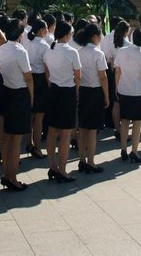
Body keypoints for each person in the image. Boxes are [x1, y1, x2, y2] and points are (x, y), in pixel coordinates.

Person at [0, 19, 33, 190]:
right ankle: (12, 177)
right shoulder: (20, 51)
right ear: (19, 34)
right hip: (19, 94)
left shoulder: (0, 49)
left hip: (5, 91)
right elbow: (28, 77)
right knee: (16, 140)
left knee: (7, 138)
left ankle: (6, 174)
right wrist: (31, 97)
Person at [43, 21, 81, 182]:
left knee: (52, 132)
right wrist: (77, 91)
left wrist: (51, 82)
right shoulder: (72, 52)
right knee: (65, 134)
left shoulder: (49, 50)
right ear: (66, 34)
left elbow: (46, 70)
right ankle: (63, 170)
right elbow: (78, 75)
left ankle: (52, 166)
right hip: (67, 91)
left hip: (54, 90)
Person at [114, 27, 141, 164]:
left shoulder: (121, 51)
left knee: (124, 121)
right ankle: (134, 151)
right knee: (136, 123)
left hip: (123, 89)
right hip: (138, 91)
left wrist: (116, 88)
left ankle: (123, 149)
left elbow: (117, 71)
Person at [76, 23, 109, 173]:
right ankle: (91, 162)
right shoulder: (98, 53)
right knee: (92, 129)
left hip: (82, 91)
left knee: (82, 127)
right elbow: (103, 77)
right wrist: (107, 96)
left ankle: (82, 159)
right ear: (95, 36)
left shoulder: (79, 51)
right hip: (95, 91)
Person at [25, 19, 50, 159]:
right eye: (46, 28)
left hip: (28, 78)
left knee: (30, 114)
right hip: (40, 79)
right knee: (39, 116)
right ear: (40, 30)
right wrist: (49, 84)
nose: (47, 30)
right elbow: (46, 69)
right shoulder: (44, 46)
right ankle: (37, 146)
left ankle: (29, 142)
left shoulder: (27, 43)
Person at [103, 20, 131, 138]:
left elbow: (109, 59)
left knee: (116, 103)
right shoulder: (128, 45)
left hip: (114, 73)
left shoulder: (111, 42)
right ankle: (124, 130)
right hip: (126, 74)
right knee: (126, 102)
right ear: (126, 31)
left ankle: (117, 128)